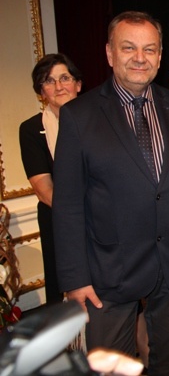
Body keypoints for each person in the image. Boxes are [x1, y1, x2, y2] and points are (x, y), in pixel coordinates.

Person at [52, 11, 169, 376]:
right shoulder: (78, 115)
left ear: (160, 55)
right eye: (129, 48)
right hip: (107, 270)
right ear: (109, 53)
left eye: (150, 49)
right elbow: (68, 204)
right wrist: (75, 279)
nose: (140, 57)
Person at [19, 53, 82, 306]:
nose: (58, 86)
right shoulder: (31, 129)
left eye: (64, 78)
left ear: (78, 84)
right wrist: (82, 216)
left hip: (103, 223)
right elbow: (44, 189)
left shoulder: (100, 122)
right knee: (68, 296)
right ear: (41, 91)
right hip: (60, 222)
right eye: (49, 81)